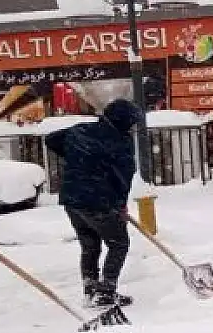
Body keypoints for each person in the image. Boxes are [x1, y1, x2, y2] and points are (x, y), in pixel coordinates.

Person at [45, 98, 141, 308]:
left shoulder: (81, 130)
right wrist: (121, 204)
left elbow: (51, 140)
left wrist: (76, 155)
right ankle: (105, 291)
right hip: (101, 202)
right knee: (119, 244)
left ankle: (90, 290)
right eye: (132, 123)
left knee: (90, 246)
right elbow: (124, 176)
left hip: (73, 200)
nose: (133, 128)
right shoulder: (120, 143)